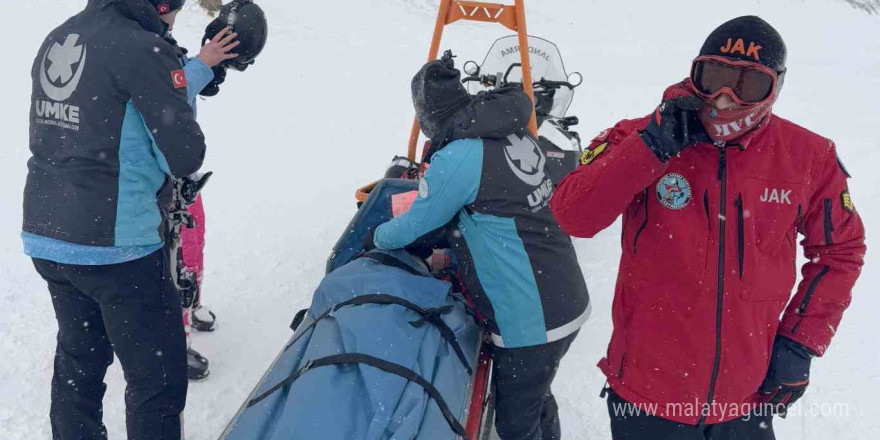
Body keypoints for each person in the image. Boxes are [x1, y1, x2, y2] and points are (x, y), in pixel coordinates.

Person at [550, 16, 866, 439]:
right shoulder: (639, 136)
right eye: (714, 75)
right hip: (647, 394)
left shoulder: (809, 157)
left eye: (748, 84)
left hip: (747, 394)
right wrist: (650, 147)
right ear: (694, 73)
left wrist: (800, 341)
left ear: (775, 88)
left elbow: (840, 251)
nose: (725, 97)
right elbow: (573, 215)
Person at [368, 52, 591, 440]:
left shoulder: (460, 154)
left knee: (516, 423)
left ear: (430, 113)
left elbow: (416, 225)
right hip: (563, 293)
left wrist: (376, 236)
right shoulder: (512, 132)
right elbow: (499, 213)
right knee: (536, 393)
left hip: (531, 315)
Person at [22, 0, 211, 438]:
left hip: (49, 231)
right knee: (156, 381)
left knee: (80, 362)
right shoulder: (143, 49)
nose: (174, 18)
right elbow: (184, 154)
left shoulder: (61, 35)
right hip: (116, 246)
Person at [157, 8, 240, 381]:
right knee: (176, 263)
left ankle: (193, 305)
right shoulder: (134, 45)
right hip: (162, 183)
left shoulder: (160, 41)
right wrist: (201, 66)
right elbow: (163, 95)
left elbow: (180, 77)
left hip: (184, 177)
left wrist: (205, 64)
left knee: (193, 247)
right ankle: (176, 342)